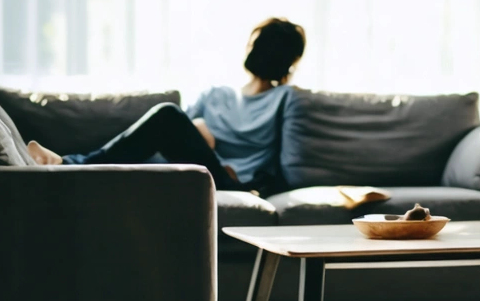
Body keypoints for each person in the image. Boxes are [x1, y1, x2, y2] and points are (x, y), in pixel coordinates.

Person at [27, 18, 306, 195]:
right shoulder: (216, 95)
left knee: (167, 115)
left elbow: (287, 159)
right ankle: (70, 165)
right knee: (169, 119)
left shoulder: (285, 99)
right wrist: (198, 131)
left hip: (234, 183)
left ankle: (69, 164)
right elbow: (183, 139)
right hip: (199, 170)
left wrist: (255, 183)